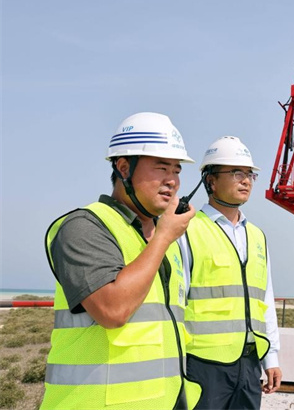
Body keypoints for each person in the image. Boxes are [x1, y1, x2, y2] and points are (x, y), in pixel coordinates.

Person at [41, 112, 202, 410]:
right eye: (161, 167)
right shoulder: (83, 226)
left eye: (177, 170)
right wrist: (163, 239)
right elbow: (112, 310)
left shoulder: (165, 237)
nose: (172, 181)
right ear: (124, 168)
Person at [179, 136, 281, 410]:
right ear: (210, 181)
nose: (246, 180)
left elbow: (265, 300)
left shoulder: (257, 236)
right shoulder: (188, 229)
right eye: (237, 173)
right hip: (202, 366)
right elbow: (176, 302)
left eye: (250, 174)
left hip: (249, 364)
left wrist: (271, 358)